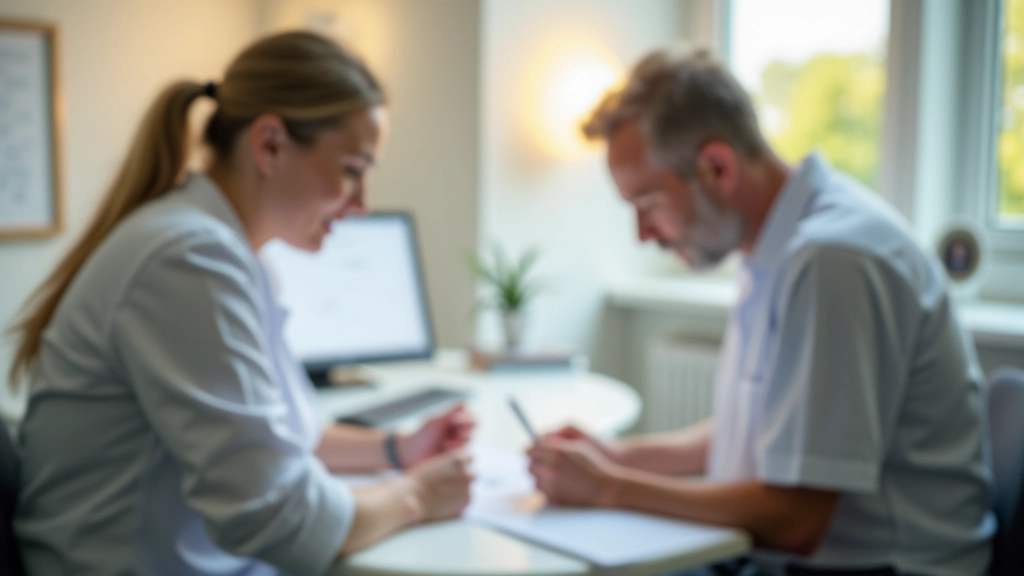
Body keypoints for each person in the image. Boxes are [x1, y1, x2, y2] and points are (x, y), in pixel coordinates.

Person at [8, 31, 474, 576]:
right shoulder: (187, 260)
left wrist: (398, 449)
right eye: (352, 169)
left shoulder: (220, 250)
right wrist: (415, 496)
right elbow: (277, 517)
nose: (363, 204)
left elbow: (273, 441)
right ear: (270, 144)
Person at [527, 49, 994, 576]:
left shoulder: (830, 260)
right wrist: (618, 457)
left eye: (648, 203)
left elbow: (796, 519)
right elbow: (758, 430)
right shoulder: (772, 249)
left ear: (716, 168)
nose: (643, 234)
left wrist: (609, 489)